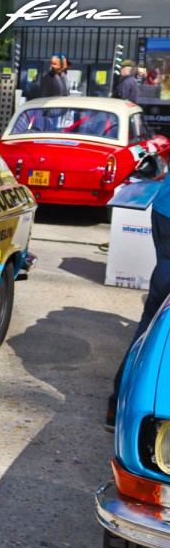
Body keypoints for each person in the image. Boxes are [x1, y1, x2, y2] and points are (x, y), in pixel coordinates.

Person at [107, 183, 170, 430]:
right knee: (158, 318)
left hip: (164, 209)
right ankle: (125, 406)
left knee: (154, 315)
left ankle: (119, 405)